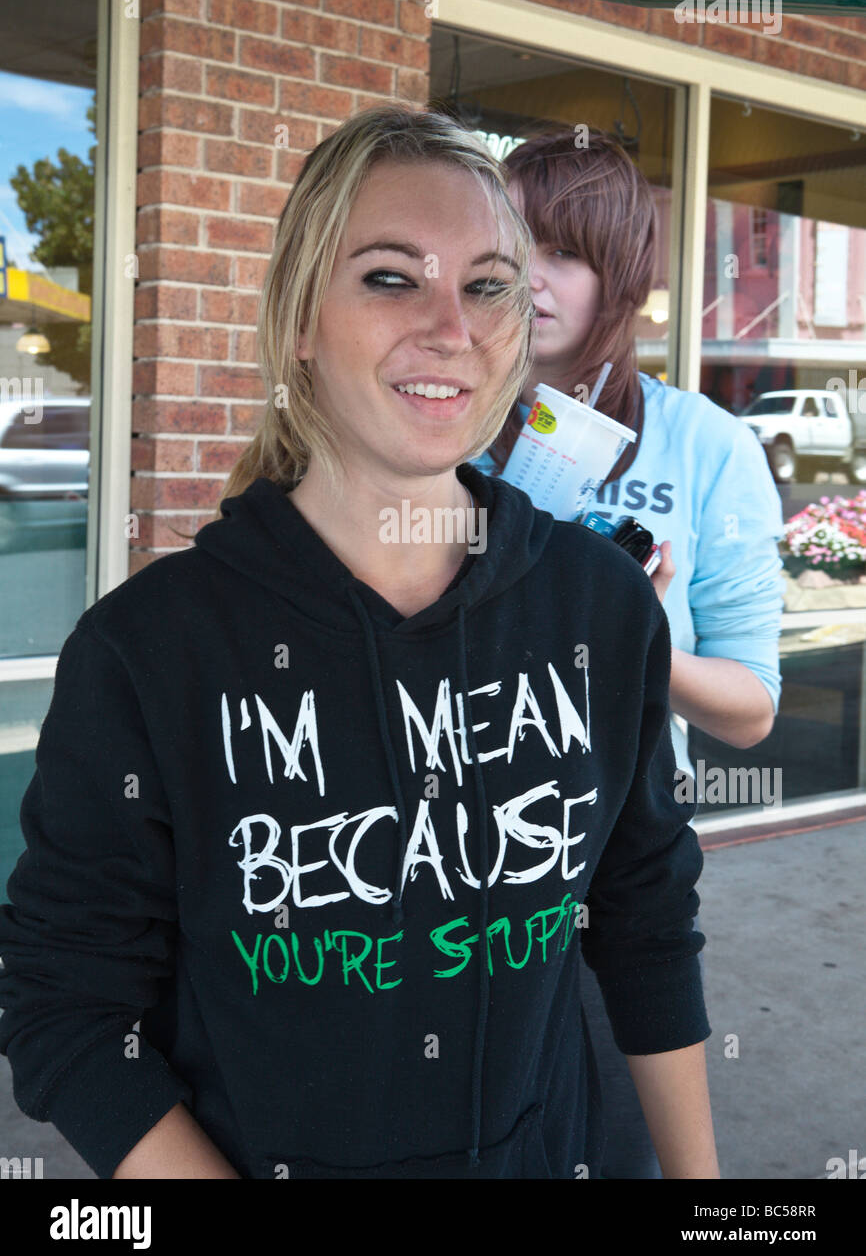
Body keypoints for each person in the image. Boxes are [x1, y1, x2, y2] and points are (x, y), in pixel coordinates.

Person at [0, 105, 719, 1181]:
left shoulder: (598, 608)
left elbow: (645, 920)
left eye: (486, 285)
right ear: (300, 318)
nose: (452, 326)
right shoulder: (149, 652)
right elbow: (66, 1000)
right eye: (392, 278)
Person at [473, 124, 783, 1177]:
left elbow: (748, 708)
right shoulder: (434, 421)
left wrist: (638, 636)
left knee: (615, 1141)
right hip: (443, 841)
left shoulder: (705, 446)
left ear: (623, 276)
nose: (530, 279)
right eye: (507, 247)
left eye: (561, 252)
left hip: (619, 858)